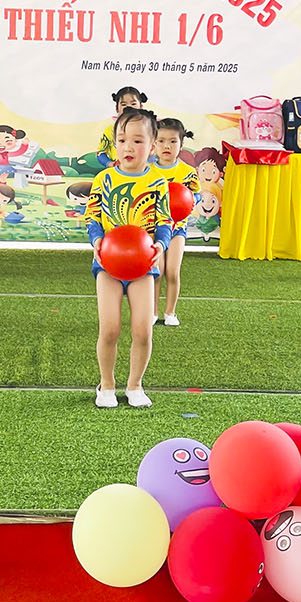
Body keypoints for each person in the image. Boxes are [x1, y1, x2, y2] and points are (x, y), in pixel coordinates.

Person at [85, 107, 172, 409]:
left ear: (152, 146)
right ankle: (106, 385)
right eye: (122, 140)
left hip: (143, 267)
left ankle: (135, 385)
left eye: (137, 141)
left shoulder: (158, 182)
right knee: (109, 328)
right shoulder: (104, 179)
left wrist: (161, 244)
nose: (128, 147)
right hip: (107, 265)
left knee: (142, 330)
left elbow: (164, 222)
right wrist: (96, 240)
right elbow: (92, 217)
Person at [151, 117, 199, 326]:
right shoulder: (148, 171)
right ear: (153, 143)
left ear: (181, 144)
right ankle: (152, 312)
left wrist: (192, 199)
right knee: (157, 271)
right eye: (161, 141)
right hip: (153, 229)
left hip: (177, 228)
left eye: (172, 141)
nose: (167, 146)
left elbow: (196, 195)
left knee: (172, 271)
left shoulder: (187, 171)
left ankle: (170, 312)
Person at [97, 86, 148, 167]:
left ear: (141, 107)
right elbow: (100, 153)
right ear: (117, 109)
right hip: (117, 171)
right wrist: (110, 164)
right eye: (123, 104)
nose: (129, 107)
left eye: (133, 104)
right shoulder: (110, 130)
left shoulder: (149, 129)